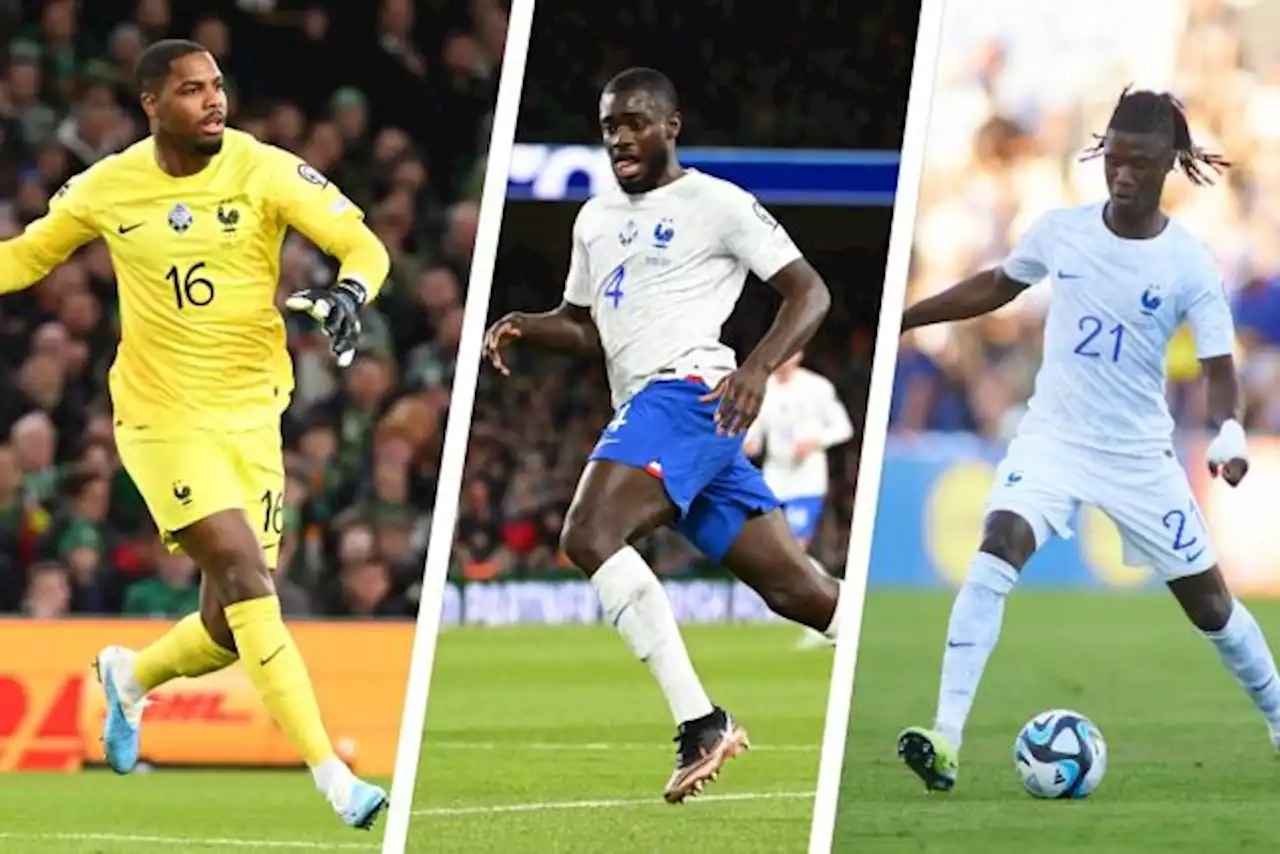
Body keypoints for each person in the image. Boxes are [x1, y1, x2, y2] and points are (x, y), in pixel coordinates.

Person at [0, 40, 390, 829]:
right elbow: (24, 259)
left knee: (223, 630)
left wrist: (352, 291)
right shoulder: (110, 186)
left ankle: (130, 678)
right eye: (190, 90)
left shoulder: (263, 169)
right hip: (161, 419)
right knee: (252, 581)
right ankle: (332, 776)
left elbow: (364, 245)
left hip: (254, 418)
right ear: (151, 104)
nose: (213, 101)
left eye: (216, 87)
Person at [482, 66, 847, 804]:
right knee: (799, 592)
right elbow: (586, 326)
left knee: (587, 534)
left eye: (636, 121)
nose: (621, 135)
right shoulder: (593, 217)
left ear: (671, 127)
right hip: (661, 408)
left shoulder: (717, 203)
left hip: (687, 392)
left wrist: (759, 367)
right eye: (610, 123)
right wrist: (527, 325)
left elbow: (810, 290)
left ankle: (702, 721)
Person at [893, 88, 1275, 793]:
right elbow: (997, 287)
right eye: (1113, 160)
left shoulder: (1188, 262)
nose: (1122, 175)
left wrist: (1226, 428)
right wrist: (906, 316)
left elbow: (1222, 369)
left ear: (1168, 165)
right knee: (996, 547)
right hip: (1053, 440)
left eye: (1138, 163)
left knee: (1213, 610)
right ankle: (944, 738)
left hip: (1138, 459)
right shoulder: (1062, 230)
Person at [744, 352, 854, 648]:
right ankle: (837, 600)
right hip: (775, 476)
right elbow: (755, 434)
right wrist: (749, 443)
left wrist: (815, 440)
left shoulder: (817, 387)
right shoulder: (764, 387)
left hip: (806, 477)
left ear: (801, 354)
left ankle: (826, 613)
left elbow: (843, 427)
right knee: (778, 547)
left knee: (793, 546)